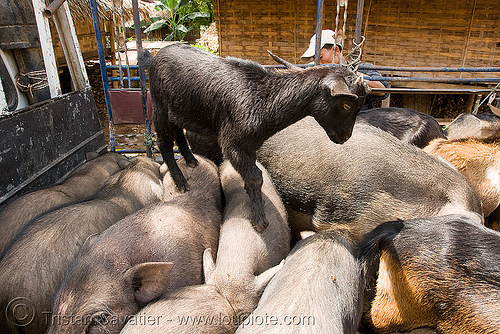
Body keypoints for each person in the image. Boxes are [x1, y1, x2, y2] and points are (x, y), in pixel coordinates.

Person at [301, 29, 389, 110]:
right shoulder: (315, 70)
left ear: (336, 50)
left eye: (320, 57)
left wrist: (347, 73)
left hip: (360, 121)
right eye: (314, 59)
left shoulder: (362, 68)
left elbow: (382, 91)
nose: (318, 62)